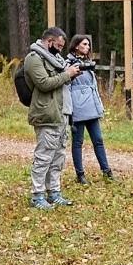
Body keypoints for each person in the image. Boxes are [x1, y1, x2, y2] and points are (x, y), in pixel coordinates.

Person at [24, 27, 82, 209]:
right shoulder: (33, 59)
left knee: (58, 156)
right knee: (44, 156)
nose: (60, 49)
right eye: (58, 45)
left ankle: (54, 192)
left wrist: (71, 75)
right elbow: (43, 83)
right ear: (49, 41)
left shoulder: (57, 60)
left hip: (62, 112)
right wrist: (67, 75)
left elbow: (60, 81)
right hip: (46, 113)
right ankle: (37, 195)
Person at [65, 35, 112, 184]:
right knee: (77, 142)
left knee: (98, 140)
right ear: (76, 45)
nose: (88, 47)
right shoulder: (69, 63)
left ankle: (107, 171)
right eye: (84, 44)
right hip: (78, 108)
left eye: (88, 44)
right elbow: (66, 85)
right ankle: (80, 174)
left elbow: (92, 87)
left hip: (91, 106)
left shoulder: (86, 62)